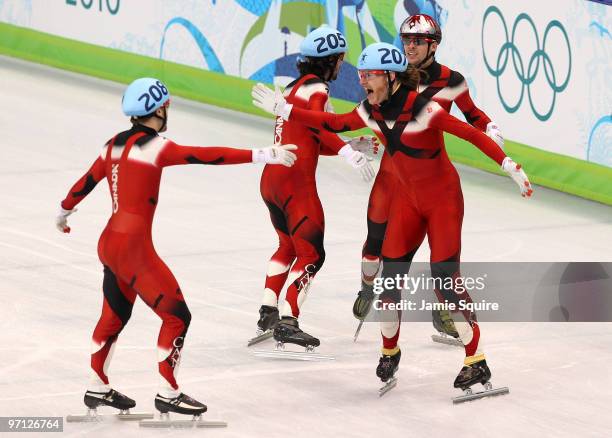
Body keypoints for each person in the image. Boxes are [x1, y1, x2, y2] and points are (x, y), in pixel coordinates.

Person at [251, 42, 532, 392]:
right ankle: (389, 352)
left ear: (390, 76)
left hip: (443, 202)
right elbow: (334, 122)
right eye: (361, 74)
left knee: (445, 280)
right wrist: (287, 110)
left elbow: (470, 133)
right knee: (388, 286)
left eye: (370, 75)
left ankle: (477, 362)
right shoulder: (370, 109)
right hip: (407, 203)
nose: (363, 81)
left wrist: (509, 166)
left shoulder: (423, 109)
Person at [56, 77, 297, 417]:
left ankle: (97, 386)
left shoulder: (111, 145)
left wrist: (64, 211)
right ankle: (168, 392)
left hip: (109, 243)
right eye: (166, 106)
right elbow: (206, 155)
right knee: (177, 316)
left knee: (114, 316)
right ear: (157, 109)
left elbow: (86, 182)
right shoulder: (156, 147)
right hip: (133, 250)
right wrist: (264, 154)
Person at [352, 14, 506, 341]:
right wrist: (358, 144)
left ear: (433, 45)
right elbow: (372, 113)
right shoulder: (392, 75)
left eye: (417, 41)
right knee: (375, 243)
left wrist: (489, 126)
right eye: (406, 39)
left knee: (443, 256)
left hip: (427, 178)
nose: (409, 46)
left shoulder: (452, 80)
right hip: (391, 175)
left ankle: (445, 311)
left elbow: (473, 115)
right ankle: (367, 286)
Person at [254, 26, 376, 349]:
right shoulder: (318, 90)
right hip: (296, 185)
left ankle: (268, 309)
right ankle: (288, 318)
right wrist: (349, 153)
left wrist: (350, 144)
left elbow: (308, 138)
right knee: (313, 255)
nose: (340, 66)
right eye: (339, 60)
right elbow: (320, 128)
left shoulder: (294, 88)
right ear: (329, 61)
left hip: (271, 180)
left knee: (286, 246)